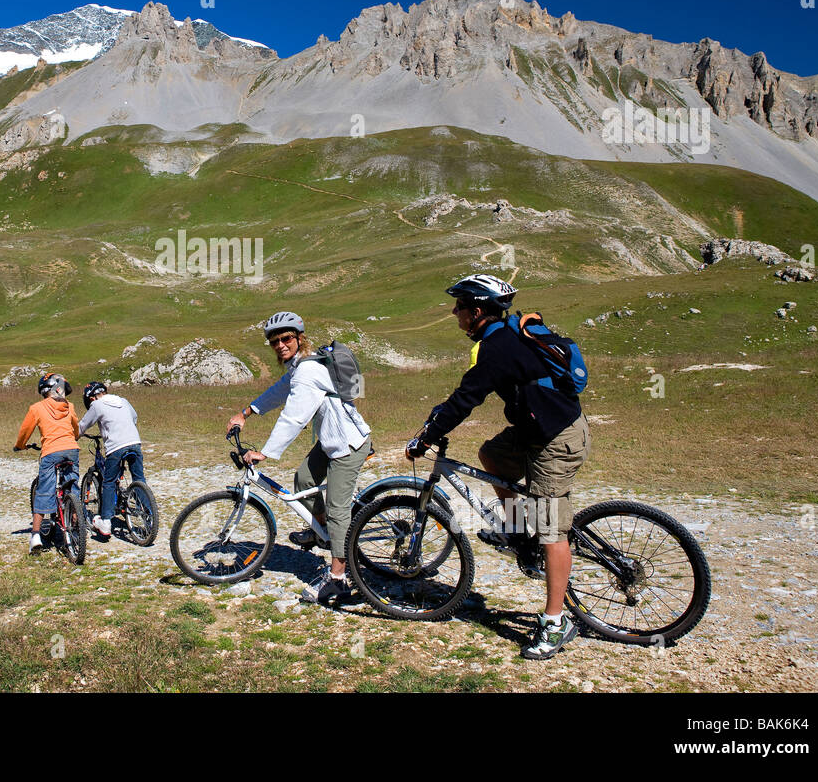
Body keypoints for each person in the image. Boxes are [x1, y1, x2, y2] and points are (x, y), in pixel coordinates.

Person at [407, 274, 591, 660]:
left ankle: (556, 622)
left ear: (477, 311)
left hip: (556, 438)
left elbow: (466, 398)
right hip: (536, 429)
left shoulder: (497, 346)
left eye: (459, 306)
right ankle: (514, 530)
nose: (454, 312)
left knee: (550, 528)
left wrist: (426, 438)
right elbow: (464, 394)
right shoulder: (501, 336)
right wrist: (435, 420)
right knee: (492, 455)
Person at [226, 311, 372, 605]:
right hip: (331, 439)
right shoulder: (299, 366)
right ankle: (325, 533)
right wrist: (246, 413)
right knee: (304, 479)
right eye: (275, 341)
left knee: (338, 508)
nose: (280, 345)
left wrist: (265, 452)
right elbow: (279, 391)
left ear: (299, 338)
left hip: (347, 444)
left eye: (286, 338)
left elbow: (293, 417)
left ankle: (338, 580)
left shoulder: (307, 372)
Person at [14, 373, 80, 554]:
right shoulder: (70, 406)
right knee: (72, 486)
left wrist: (20, 446)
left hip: (51, 451)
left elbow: (25, 431)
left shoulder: (37, 408)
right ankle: (76, 524)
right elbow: (75, 428)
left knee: (44, 490)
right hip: (71, 450)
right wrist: (72, 438)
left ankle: (36, 536)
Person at [78, 381, 145, 538]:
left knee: (108, 482)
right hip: (134, 442)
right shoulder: (123, 400)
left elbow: (83, 425)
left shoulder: (97, 405)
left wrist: (74, 436)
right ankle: (147, 513)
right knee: (139, 479)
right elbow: (134, 417)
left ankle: (106, 522)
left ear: (91, 398)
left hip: (116, 446)